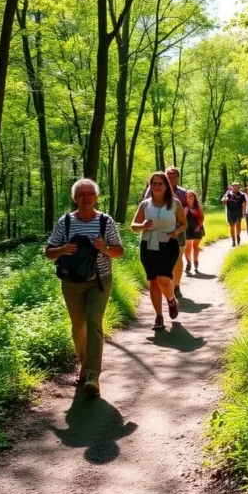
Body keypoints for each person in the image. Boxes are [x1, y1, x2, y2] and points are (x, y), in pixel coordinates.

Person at [45, 178, 125, 397]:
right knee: (78, 325)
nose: (86, 198)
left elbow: (119, 250)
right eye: (81, 194)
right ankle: (82, 362)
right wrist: (62, 249)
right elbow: (49, 252)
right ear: (75, 198)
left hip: (100, 279)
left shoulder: (105, 222)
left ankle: (92, 375)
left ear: (96, 197)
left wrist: (105, 248)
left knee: (94, 321)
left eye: (90, 194)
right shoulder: (66, 222)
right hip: (71, 281)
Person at [132, 172, 188, 331]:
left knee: (163, 279)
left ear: (166, 186)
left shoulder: (175, 203)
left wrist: (175, 232)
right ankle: (158, 316)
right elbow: (133, 226)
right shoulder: (145, 205)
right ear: (150, 186)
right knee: (153, 282)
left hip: (169, 245)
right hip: (148, 245)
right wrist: (142, 225)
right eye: (154, 184)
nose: (156, 187)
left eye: (160, 184)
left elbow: (184, 224)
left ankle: (171, 300)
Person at [144, 167, 188, 299]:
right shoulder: (152, 189)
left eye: (174, 176)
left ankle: (176, 286)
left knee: (179, 255)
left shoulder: (182, 192)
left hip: (177, 228)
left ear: (178, 177)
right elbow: (145, 205)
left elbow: (186, 209)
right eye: (169, 175)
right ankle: (163, 282)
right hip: (156, 231)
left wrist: (178, 226)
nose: (171, 178)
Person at [183, 190, 205, 273]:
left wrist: (199, 226)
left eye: (191, 195)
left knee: (196, 246)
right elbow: (183, 219)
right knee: (187, 247)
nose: (190, 196)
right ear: (186, 197)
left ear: (194, 197)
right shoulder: (184, 207)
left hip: (197, 228)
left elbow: (202, 217)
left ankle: (195, 260)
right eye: (188, 195)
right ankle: (188, 262)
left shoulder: (198, 207)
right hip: (187, 229)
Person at [220, 182, 246, 247]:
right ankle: (233, 241)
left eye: (236, 186)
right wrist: (225, 200)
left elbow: (244, 204)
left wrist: (243, 212)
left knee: (238, 225)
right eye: (233, 186)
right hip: (230, 212)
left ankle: (238, 236)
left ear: (238, 187)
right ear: (231, 187)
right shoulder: (228, 193)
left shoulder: (241, 194)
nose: (234, 187)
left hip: (238, 212)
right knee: (232, 226)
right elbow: (223, 201)